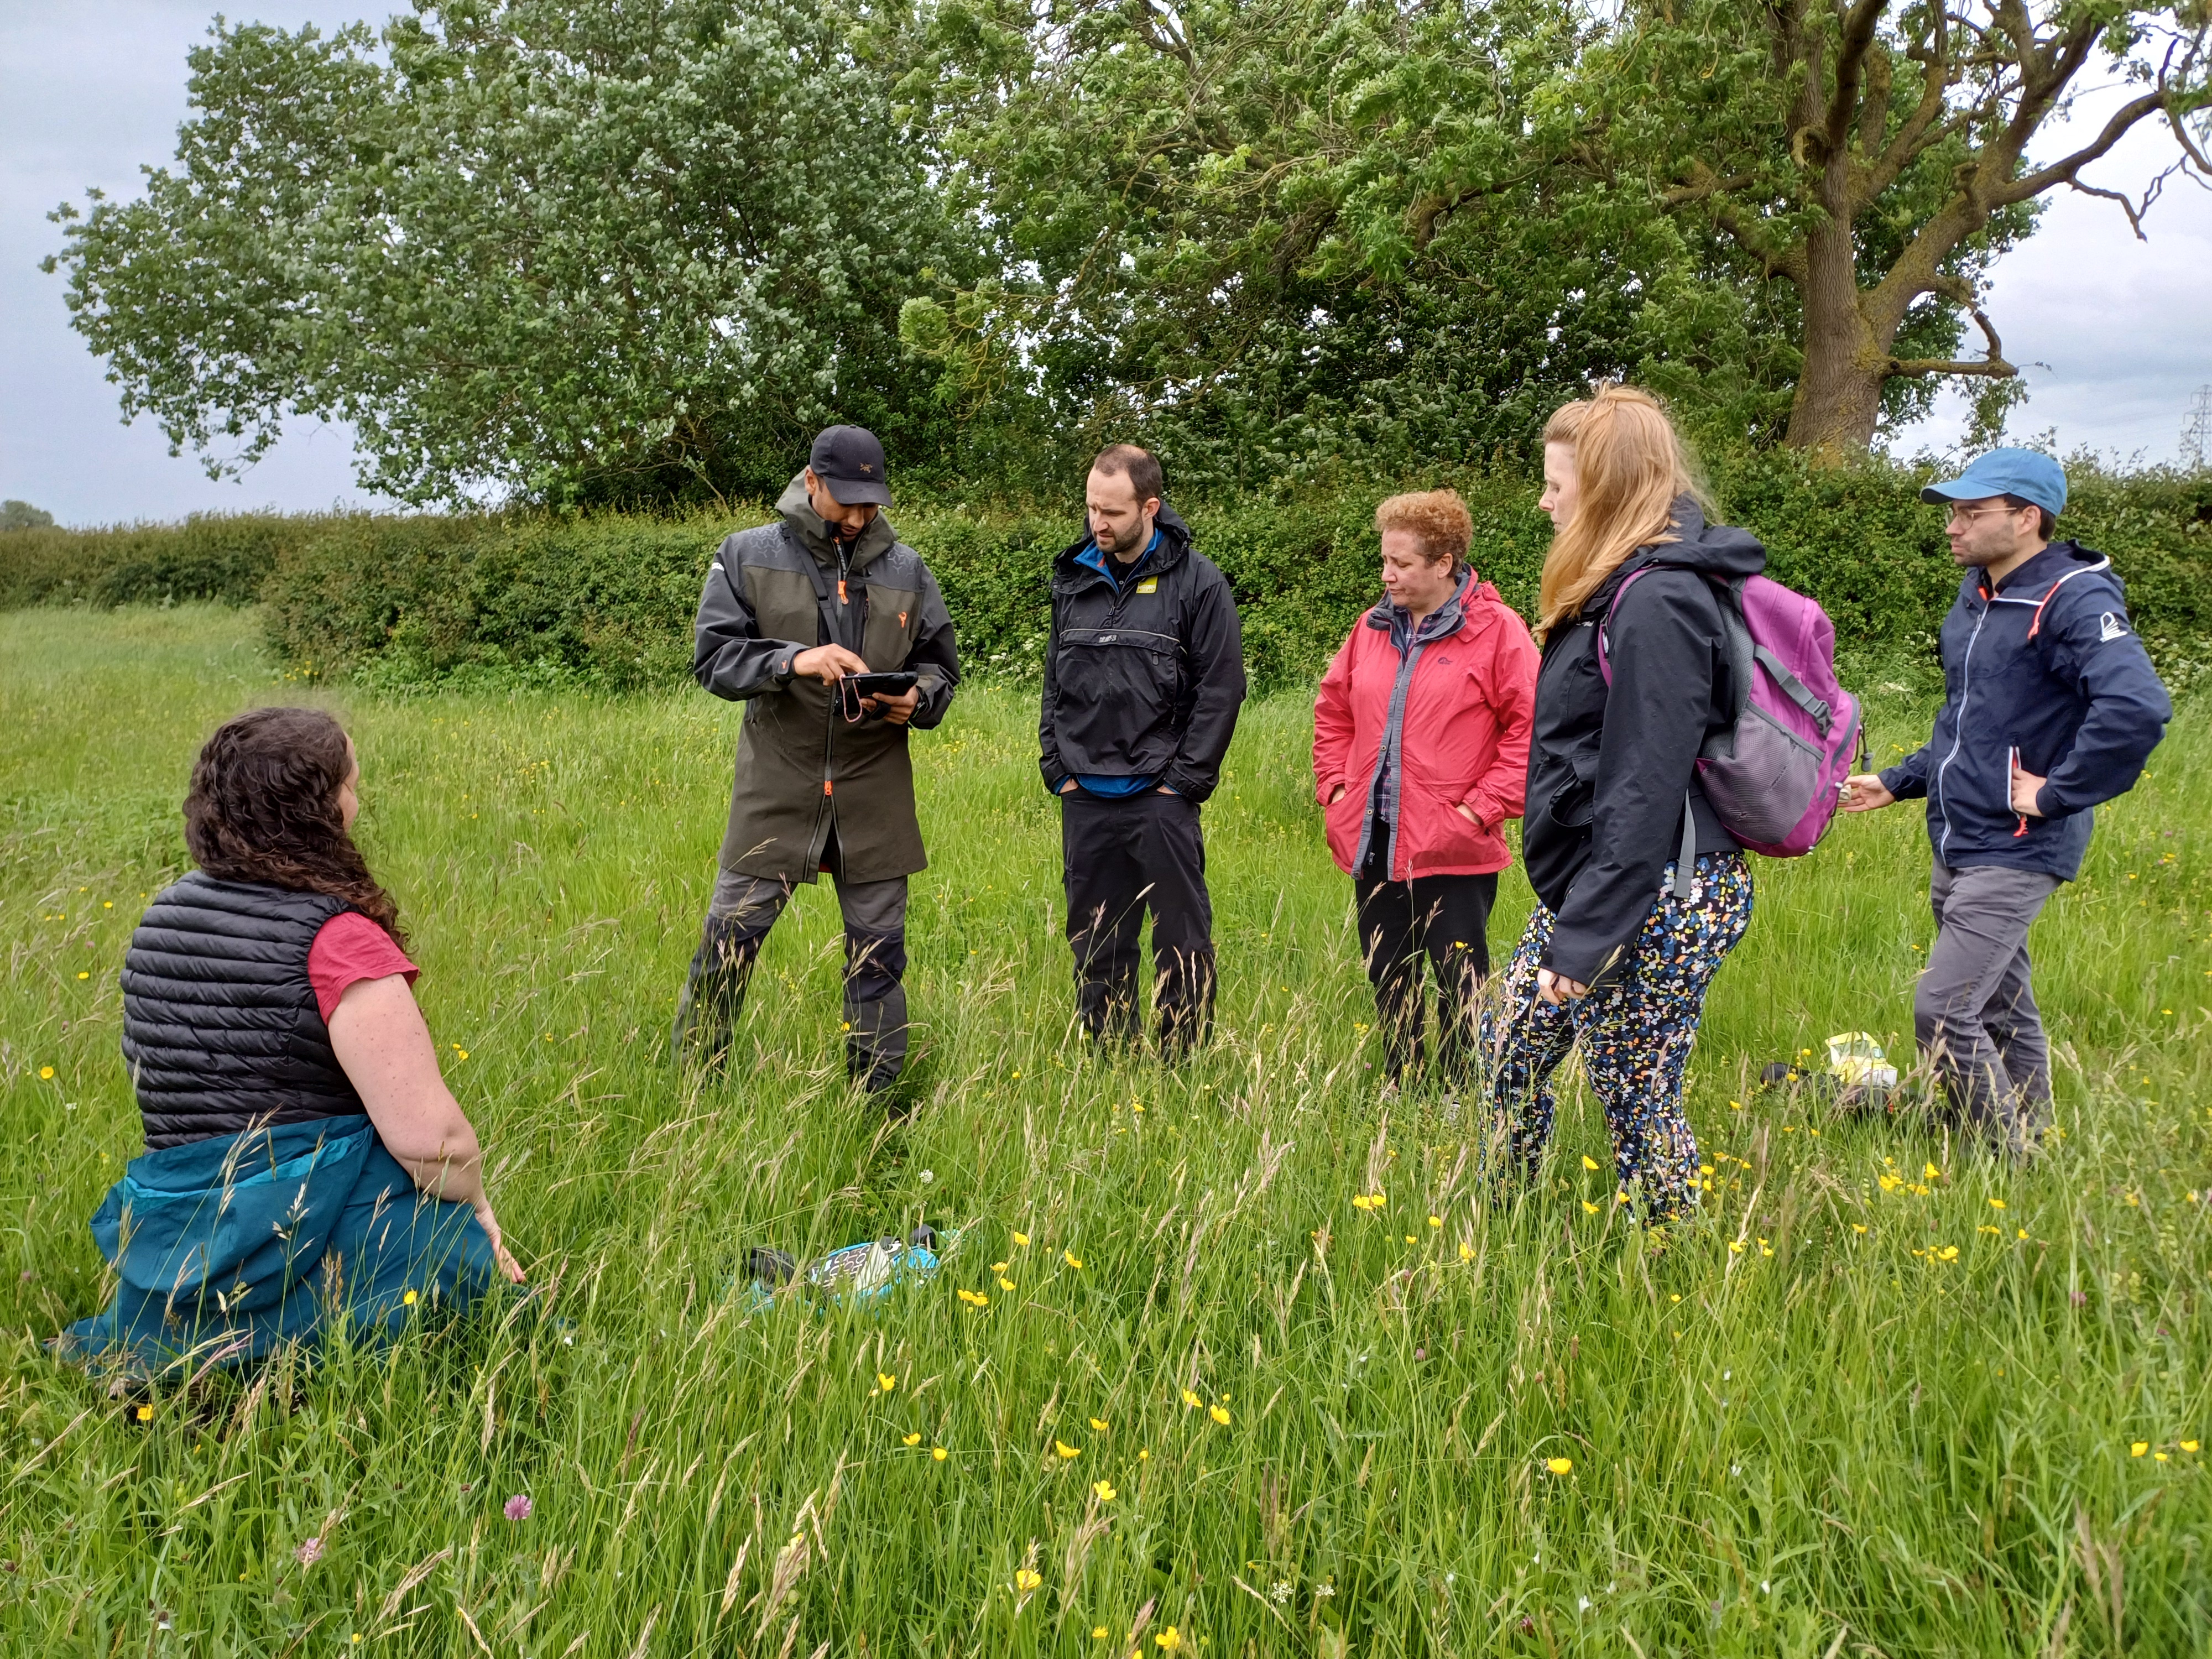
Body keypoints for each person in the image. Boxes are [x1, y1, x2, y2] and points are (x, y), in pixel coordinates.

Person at [61, 707, 521, 1374]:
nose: (357, 800)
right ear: (322, 809)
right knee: (490, 1295)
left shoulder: (162, 916)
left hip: (180, 1233)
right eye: (351, 785)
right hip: (296, 1223)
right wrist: (477, 1211)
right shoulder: (337, 941)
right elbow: (433, 1143)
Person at [1481, 387, 1762, 1221]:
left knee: (1636, 1093)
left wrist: (1585, 940)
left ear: (1604, 490)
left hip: (1662, 891)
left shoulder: (1660, 603)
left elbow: (1646, 780)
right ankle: (1503, 1213)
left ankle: (1675, 1264)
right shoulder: (1623, 588)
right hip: (1609, 884)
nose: (1544, 500)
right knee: (1510, 1051)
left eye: (1556, 484)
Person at [1843, 448, 2169, 1155]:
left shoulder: (2071, 596)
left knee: (1943, 1008)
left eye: (1971, 512)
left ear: (2027, 518)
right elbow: (1972, 718)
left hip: (2018, 846)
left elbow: (2137, 708)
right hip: (1958, 835)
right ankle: (2036, 1135)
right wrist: (1899, 781)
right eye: (1953, 512)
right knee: (2000, 1004)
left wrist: (2058, 793)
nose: (1953, 527)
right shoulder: (1979, 594)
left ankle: (2004, 1161)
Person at [674, 424, 959, 1091]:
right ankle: (693, 1086)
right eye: (846, 501)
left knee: (879, 960)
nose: (860, 517)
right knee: (727, 947)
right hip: (776, 790)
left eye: (872, 503)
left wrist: (914, 701)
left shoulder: (908, 570)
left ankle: (878, 1100)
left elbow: (941, 674)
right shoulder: (745, 554)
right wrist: (793, 660)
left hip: (875, 795)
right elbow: (713, 661)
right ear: (811, 483)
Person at [1313, 488, 1538, 1089]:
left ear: (1443, 563)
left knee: (1459, 976)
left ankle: (1466, 1094)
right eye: (1384, 562)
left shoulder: (1497, 631)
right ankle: (1402, 1084)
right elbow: (1333, 711)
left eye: (1402, 564)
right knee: (1387, 969)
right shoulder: (1371, 628)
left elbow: (1532, 730)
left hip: (1453, 846)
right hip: (1375, 836)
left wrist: (1476, 809)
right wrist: (1335, 788)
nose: (1387, 575)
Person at [1040, 444, 1245, 1056]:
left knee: (1181, 937)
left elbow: (1221, 688)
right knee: (1096, 936)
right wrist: (1056, 766)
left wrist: (1182, 783)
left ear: (1150, 507)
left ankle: (1183, 1057)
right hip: (1085, 793)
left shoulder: (1197, 583)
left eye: (1112, 513)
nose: (1097, 524)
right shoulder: (1073, 576)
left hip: (1160, 796)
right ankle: (1107, 1051)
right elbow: (1053, 678)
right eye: (1090, 509)